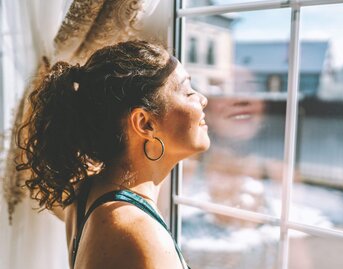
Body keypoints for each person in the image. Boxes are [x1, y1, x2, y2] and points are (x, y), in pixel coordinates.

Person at [16, 40, 210, 269]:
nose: (203, 99)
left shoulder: (85, 193)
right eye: (188, 92)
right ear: (144, 123)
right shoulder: (137, 233)